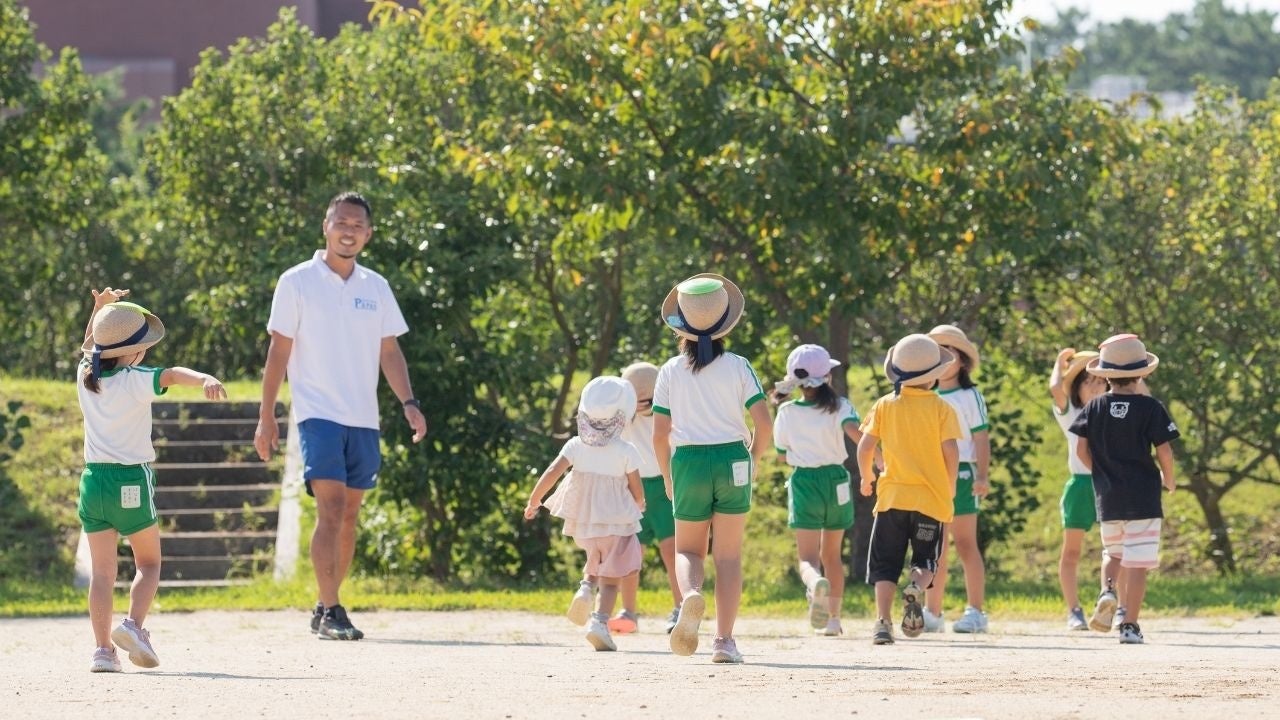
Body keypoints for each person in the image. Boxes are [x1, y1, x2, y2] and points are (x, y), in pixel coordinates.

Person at [254, 192, 427, 641]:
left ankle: (324, 601)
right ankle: (333, 609)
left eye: (357, 225)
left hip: (364, 418)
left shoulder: (376, 287)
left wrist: (409, 403)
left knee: (350, 515)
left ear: (368, 235)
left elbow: (390, 351)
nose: (348, 230)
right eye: (341, 222)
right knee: (329, 509)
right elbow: (279, 350)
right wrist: (267, 415)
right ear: (326, 226)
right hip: (318, 413)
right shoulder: (296, 281)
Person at [77, 288, 228, 672]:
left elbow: (89, 349)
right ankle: (133, 626)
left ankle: (101, 652)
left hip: (93, 482)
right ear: (132, 353)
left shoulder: (85, 377)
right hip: (131, 480)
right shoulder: (136, 379)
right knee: (149, 564)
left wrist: (99, 310)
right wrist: (205, 378)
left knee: (102, 573)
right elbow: (174, 373)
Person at [652, 273, 772, 664]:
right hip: (732, 458)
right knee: (729, 556)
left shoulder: (669, 371)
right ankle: (724, 642)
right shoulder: (739, 366)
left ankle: (689, 598)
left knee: (688, 548)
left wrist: (668, 477)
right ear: (725, 323)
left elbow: (659, 434)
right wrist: (751, 460)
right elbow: (764, 423)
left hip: (687, 459)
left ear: (681, 324)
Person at [1070, 334, 1178, 644]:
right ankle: (1130, 624)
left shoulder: (1094, 407)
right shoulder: (1150, 408)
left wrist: (1100, 473)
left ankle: (1107, 589)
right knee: (1138, 562)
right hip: (1143, 497)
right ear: (1142, 373)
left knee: (1113, 553)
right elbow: (1165, 451)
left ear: (1106, 376)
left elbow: (1080, 449)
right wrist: (1168, 479)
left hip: (1109, 497)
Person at [524, 376, 646, 652]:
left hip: (585, 526)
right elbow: (636, 487)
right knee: (613, 578)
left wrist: (535, 501)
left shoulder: (575, 446)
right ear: (623, 417)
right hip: (617, 524)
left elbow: (553, 472)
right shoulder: (626, 450)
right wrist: (639, 503)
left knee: (595, 560)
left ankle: (586, 588)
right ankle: (599, 622)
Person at [856, 334, 961, 645]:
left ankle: (882, 623)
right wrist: (950, 486)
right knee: (927, 560)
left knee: (885, 563)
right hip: (930, 500)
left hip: (892, 498)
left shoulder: (885, 405)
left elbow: (864, 448)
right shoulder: (942, 408)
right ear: (935, 375)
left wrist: (867, 478)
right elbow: (952, 452)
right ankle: (916, 586)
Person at [772, 344, 866, 637]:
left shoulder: (786, 411)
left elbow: (780, 455)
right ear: (827, 376)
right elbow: (859, 437)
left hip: (805, 483)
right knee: (833, 556)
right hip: (837, 480)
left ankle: (815, 586)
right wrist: (876, 464)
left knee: (808, 559)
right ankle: (834, 620)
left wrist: (801, 455)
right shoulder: (841, 406)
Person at [921, 324, 991, 634]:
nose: (944, 359)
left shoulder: (969, 395)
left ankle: (976, 611)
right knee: (934, 545)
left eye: (950, 353)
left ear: (963, 361)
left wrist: (983, 475)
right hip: (932, 475)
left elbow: (981, 437)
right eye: (938, 353)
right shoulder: (926, 396)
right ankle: (932, 611)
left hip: (962, 474)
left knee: (965, 543)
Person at [607, 361, 684, 636]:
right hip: (633, 488)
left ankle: (681, 607)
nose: (643, 402)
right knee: (630, 551)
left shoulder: (670, 414)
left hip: (666, 487)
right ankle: (628, 611)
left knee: (671, 549)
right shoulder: (624, 418)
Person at [1048, 347, 1112, 630]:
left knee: (1114, 550)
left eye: (1101, 380)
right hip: (1080, 485)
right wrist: (1059, 364)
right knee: (1071, 551)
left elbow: (1142, 395)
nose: (1096, 386)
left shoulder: (1116, 411)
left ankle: (1111, 605)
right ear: (1077, 388)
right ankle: (1074, 610)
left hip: (1110, 484)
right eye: (1088, 381)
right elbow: (1055, 388)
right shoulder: (1072, 413)